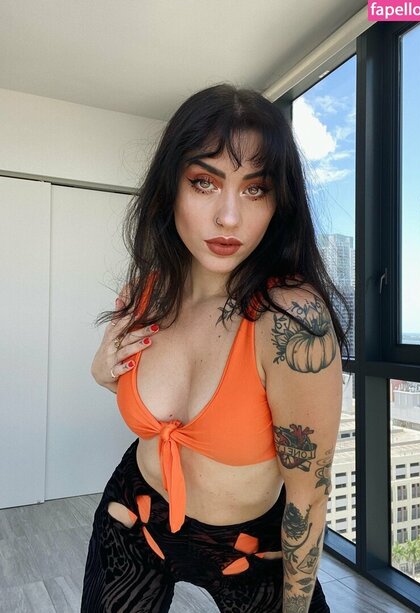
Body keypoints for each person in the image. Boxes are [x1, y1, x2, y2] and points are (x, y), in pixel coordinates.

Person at [81, 83, 350, 613]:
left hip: (248, 550)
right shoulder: (146, 294)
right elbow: (141, 391)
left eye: (255, 189)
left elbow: (308, 496)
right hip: (134, 517)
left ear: (279, 203)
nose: (229, 217)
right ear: (170, 190)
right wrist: (102, 372)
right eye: (204, 183)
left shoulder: (291, 322)